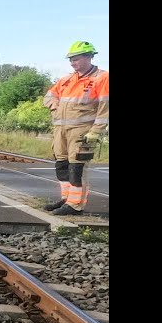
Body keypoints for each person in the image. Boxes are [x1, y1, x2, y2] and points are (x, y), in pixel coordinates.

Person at [42, 41, 108, 216]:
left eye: (76, 59)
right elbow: (49, 95)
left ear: (89, 57)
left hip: (82, 131)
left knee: (77, 168)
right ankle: (67, 199)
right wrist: (53, 104)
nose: (72, 63)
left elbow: (105, 107)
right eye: (71, 60)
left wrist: (97, 130)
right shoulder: (66, 80)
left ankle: (75, 204)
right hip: (61, 131)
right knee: (62, 166)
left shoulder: (102, 78)